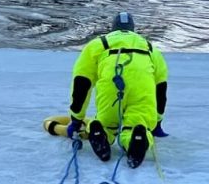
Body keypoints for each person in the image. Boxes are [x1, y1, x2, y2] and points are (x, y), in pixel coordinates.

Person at [66, 11, 168, 169]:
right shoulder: (149, 47)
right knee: (138, 121)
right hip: (142, 86)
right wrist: (158, 121)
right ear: (133, 29)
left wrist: (76, 117)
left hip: (111, 85)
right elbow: (160, 86)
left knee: (107, 122)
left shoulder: (99, 43)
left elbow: (82, 83)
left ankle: (101, 133)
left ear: (112, 28)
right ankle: (137, 136)